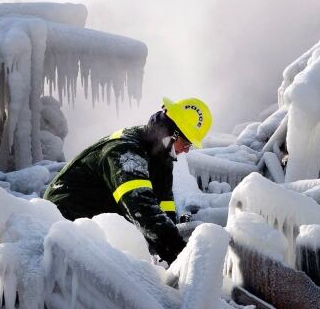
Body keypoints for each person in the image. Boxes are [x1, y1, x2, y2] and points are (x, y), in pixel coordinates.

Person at [44, 97, 212, 263]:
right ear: (172, 134)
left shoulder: (161, 160)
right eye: (186, 143)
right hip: (60, 218)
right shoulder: (125, 150)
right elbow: (142, 209)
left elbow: (163, 210)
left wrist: (172, 241)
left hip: (96, 225)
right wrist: (181, 256)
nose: (187, 150)